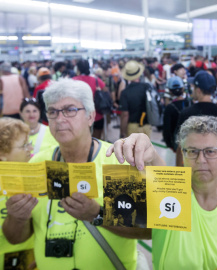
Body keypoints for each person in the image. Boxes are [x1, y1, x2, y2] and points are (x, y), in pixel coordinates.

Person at [3, 78, 151, 270]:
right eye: (53, 112)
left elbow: (146, 230)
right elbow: (15, 238)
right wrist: (17, 217)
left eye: (70, 110)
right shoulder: (38, 164)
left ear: (90, 116)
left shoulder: (116, 162)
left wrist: (97, 214)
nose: (60, 119)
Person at [109, 116, 217, 270]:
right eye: (192, 151)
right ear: (183, 155)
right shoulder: (174, 192)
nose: (201, 159)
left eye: (210, 151)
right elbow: (158, 174)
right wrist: (145, 149)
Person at [0, 118, 34, 269]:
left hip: (32, 258)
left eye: (29, 143)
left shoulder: (35, 176)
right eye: (24, 146)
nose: (30, 149)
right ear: (2, 154)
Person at [73, 59, 106, 139]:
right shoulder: (96, 80)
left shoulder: (73, 81)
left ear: (78, 69)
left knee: (81, 139)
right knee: (97, 140)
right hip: (97, 115)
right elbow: (106, 92)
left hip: (79, 116)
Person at [119, 60, 151, 138]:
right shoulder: (147, 87)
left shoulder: (125, 92)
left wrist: (122, 131)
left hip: (132, 126)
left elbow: (125, 115)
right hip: (147, 125)